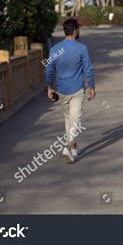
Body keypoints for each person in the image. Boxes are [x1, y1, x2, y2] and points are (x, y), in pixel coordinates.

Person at [46, 18, 95, 163]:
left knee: (68, 118)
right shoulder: (81, 48)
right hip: (77, 90)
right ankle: (67, 147)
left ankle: (73, 147)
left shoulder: (54, 50)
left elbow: (48, 70)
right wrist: (91, 86)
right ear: (75, 31)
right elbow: (88, 69)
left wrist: (49, 87)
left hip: (61, 90)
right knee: (76, 121)